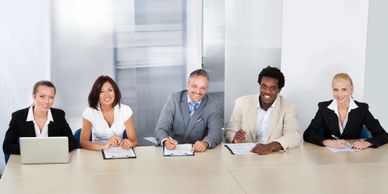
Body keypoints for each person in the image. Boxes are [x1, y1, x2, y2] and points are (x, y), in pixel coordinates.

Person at [224, 66, 301, 155]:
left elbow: (294, 135)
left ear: (279, 89)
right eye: (263, 86)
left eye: (272, 88)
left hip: (274, 158)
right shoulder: (242, 103)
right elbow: (230, 131)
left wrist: (271, 146)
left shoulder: (289, 107)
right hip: (246, 158)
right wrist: (234, 138)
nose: (267, 92)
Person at [303, 73, 388, 149]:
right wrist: (328, 142)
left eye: (344, 89)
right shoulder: (324, 108)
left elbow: (383, 135)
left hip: (354, 157)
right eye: (336, 90)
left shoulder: (362, 109)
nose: (339, 94)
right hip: (328, 157)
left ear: (351, 89)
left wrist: (366, 143)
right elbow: (308, 134)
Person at [154, 69, 223, 152]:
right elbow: (161, 128)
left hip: (198, 153)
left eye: (203, 88)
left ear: (207, 89)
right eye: (194, 86)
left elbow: (216, 132)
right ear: (187, 85)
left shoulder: (213, 105)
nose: (198, 91)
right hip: (174, 150)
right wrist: (165, 141)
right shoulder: (174, 99)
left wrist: (205, 143)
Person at [3, 81, 77, 155]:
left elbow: (72, 143)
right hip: (30, 159)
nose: (47, 102)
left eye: (51, 97)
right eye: (42, 96)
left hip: (52, 159)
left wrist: (49, 151)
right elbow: (7, 146)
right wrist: (36, 151)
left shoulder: (59, 115)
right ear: (34, 96)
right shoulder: (18, 117)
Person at [80, 75, 137, 150]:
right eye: (101, 91)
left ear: (115, 92)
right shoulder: (89, 112)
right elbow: (83, 142)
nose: (107, 95)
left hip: (119, 152)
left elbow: (134, 141)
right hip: (97, 153)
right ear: (97, 94)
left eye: (110, 90)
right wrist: (103, 147)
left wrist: (130, 143)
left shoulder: (125, 110)